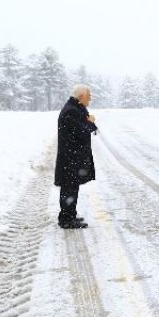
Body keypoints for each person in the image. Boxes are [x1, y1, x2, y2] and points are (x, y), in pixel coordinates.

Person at [54, 84, 98, 229]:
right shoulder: (71, 111)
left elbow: (82, 126)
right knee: (69, 189)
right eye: (89, 95)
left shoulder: (75, 108)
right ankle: (66, 219)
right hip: (70, 158)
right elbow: (82, 130)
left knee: (72, 188)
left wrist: (88, 121)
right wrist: (90, 122)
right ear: (81, 96)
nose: (90, 98)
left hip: (72, 158)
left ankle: (70, 215)